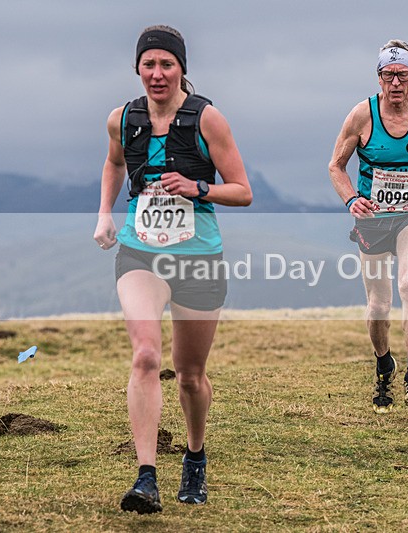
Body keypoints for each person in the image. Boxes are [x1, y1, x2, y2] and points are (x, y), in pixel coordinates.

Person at [92, 25, 252, 514]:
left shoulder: (208, 119)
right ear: (137, 68)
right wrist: (105, 213)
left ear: (181, 68)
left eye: (167, 64)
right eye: (149, 65)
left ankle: (195, 456)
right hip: (140, 253)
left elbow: (242, 190)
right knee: (144, 357)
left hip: (199, 258)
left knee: (189, 375)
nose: (157, 74)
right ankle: (145, 477)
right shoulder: (123, 118)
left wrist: (197, 188)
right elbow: (114, 163)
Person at [329, 39, 408, 414]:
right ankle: (384, 363)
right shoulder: (361, 116)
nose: (396, 84)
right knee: (378, 304)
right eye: (389, 75)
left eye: (403, 75)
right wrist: (352, 199)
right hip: (372, 218)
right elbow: (335, 166)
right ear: (379, 77)